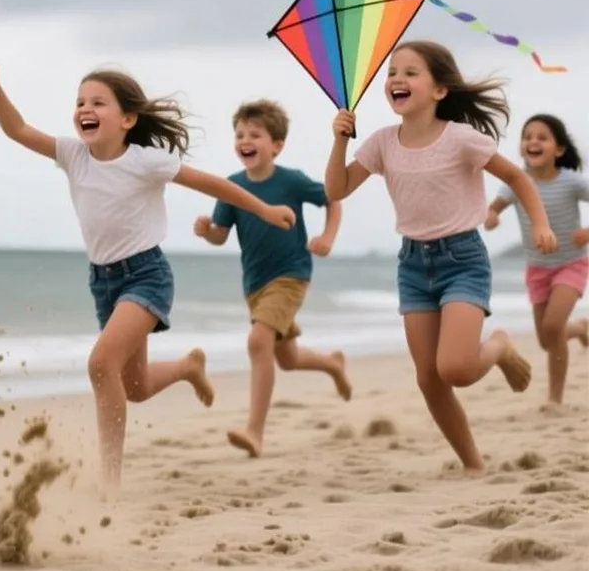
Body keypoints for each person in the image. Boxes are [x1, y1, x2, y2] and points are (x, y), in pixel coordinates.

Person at [0, 57, 295, 496]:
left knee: (101, 364)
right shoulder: (73, 154)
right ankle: (187, 367)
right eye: (81, 101)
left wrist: (263, 209)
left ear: (127, 118)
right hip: (103, 282)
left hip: (146, 276)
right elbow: (18, 129)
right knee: (135, 386)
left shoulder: (147, 161)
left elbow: (213, 185)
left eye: (98, 102)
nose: (86, 108)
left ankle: (109, 484)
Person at [324, 40, 556, 473]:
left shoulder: (461, 139)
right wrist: (339, 142)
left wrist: (540, 223)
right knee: (429, 379)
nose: (397, 78)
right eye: (393, 71)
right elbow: (336, 190)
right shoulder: (380, 143)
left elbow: (517, 179)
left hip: (463, 259)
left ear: (439, 90)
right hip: (413, 265)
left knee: (456, 369)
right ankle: (473, 464)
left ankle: (500, 345)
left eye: (411, 72)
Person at [194, 99, 351, 458]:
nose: (244, 140)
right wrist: (207, 232)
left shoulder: (291, 182)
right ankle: (332, 363)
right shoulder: (231, 187)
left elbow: (333, 198)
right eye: (239, 134)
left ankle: (255, 432)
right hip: (255, 285)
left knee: (258, 342)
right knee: (288, 358)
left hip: (291, 275)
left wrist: (327, 238)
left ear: (277, 145)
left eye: (254, 134)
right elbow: (221, 235)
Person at [485, 113, 589, 408]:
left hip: (572, 264)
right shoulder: (516, 182)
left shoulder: (572, 182)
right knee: (546, 339)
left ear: (558, 150)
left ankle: (555, 398)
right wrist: (491, 217)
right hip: (537, 269)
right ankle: (581, 329)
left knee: (553, 325)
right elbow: (493, 209)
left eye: (542, 137)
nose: (533, 141)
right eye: (527, 136)